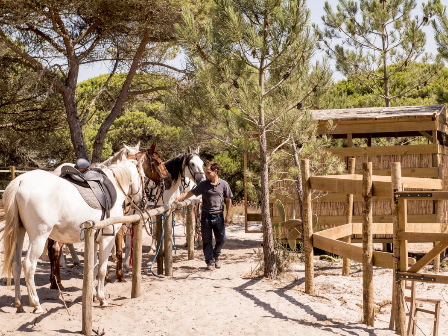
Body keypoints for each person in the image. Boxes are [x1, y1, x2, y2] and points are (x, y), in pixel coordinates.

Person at [175, 162, 233, 270]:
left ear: (215, 171)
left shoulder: (224, 184)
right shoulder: (203, 184)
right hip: (206, 216)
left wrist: (228, 215)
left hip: (219, 216)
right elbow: (190, 193)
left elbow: (228, 200)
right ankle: (210, 262)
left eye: (208, 172)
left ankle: (216, 255)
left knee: (222, 239)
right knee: (207, 240)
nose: (206, 174)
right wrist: (178, 199)